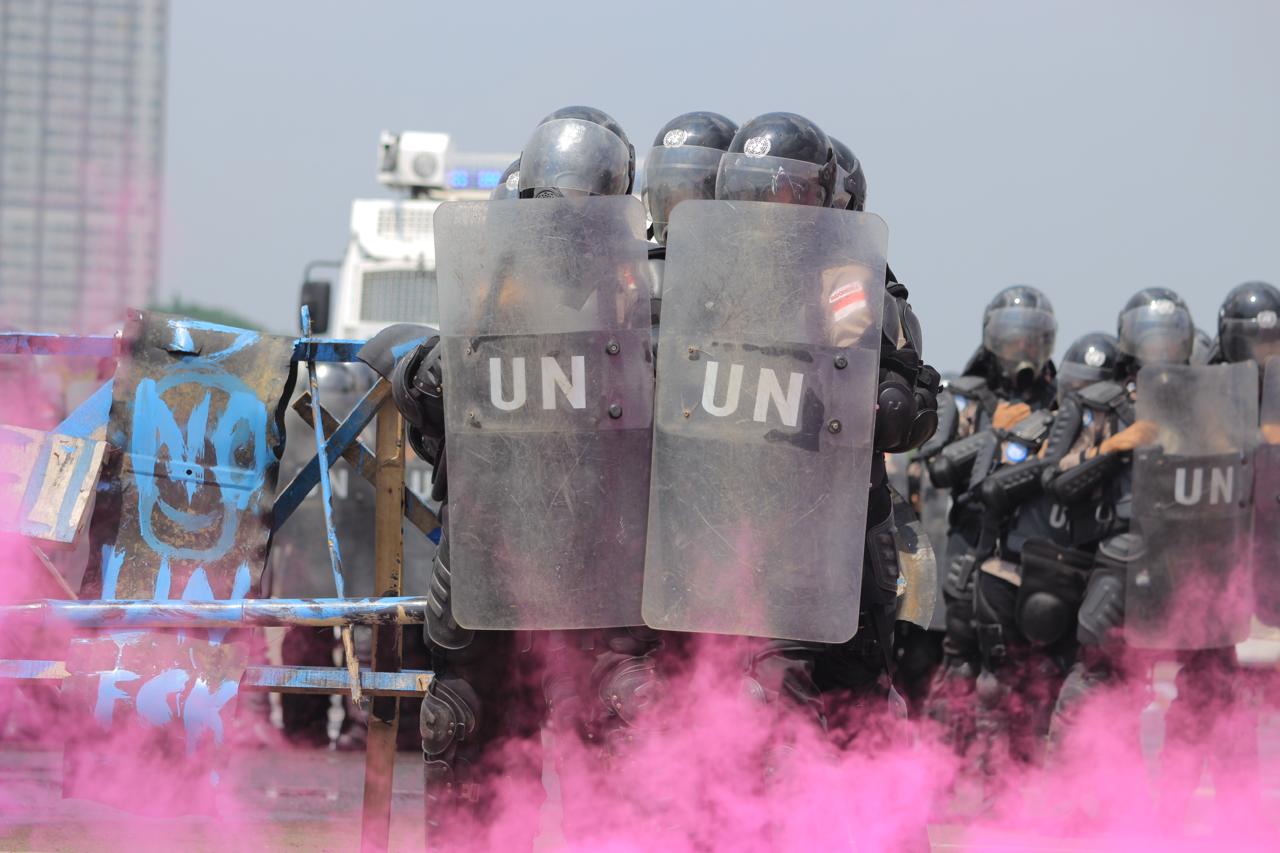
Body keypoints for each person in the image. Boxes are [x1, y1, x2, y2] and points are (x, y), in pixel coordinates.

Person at [378, 105, 644, 847]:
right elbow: (421, 382)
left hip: (599, 565)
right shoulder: (491, 290)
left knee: (614, 748)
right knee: (468, 736)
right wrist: (428, 368)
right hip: (490, 558)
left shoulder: (639, 289)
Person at [969, 332, 1122, 771]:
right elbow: (988, 489)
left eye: (1096, 391)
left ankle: (1067, 794)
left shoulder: (1124, 445)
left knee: (1075, 693)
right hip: (1015, 572)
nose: (1085, 403)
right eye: (1079, 389)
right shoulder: (1035, 427)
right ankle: (999, 791)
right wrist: (1050, 461)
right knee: (1000, 692)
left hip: (1080, 583)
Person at [923, 285, 1057, 749]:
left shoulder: (1058, 402)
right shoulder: (964, 397)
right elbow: (936, 466)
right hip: (971, 538)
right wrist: (995, 434)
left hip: (1029, 547)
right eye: (1011, 338)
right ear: (990, 339)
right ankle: (943, 768)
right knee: (961, 660)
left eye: (1031, 339)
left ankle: (1008, 768)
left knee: (1019, 664)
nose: (1021, 348)